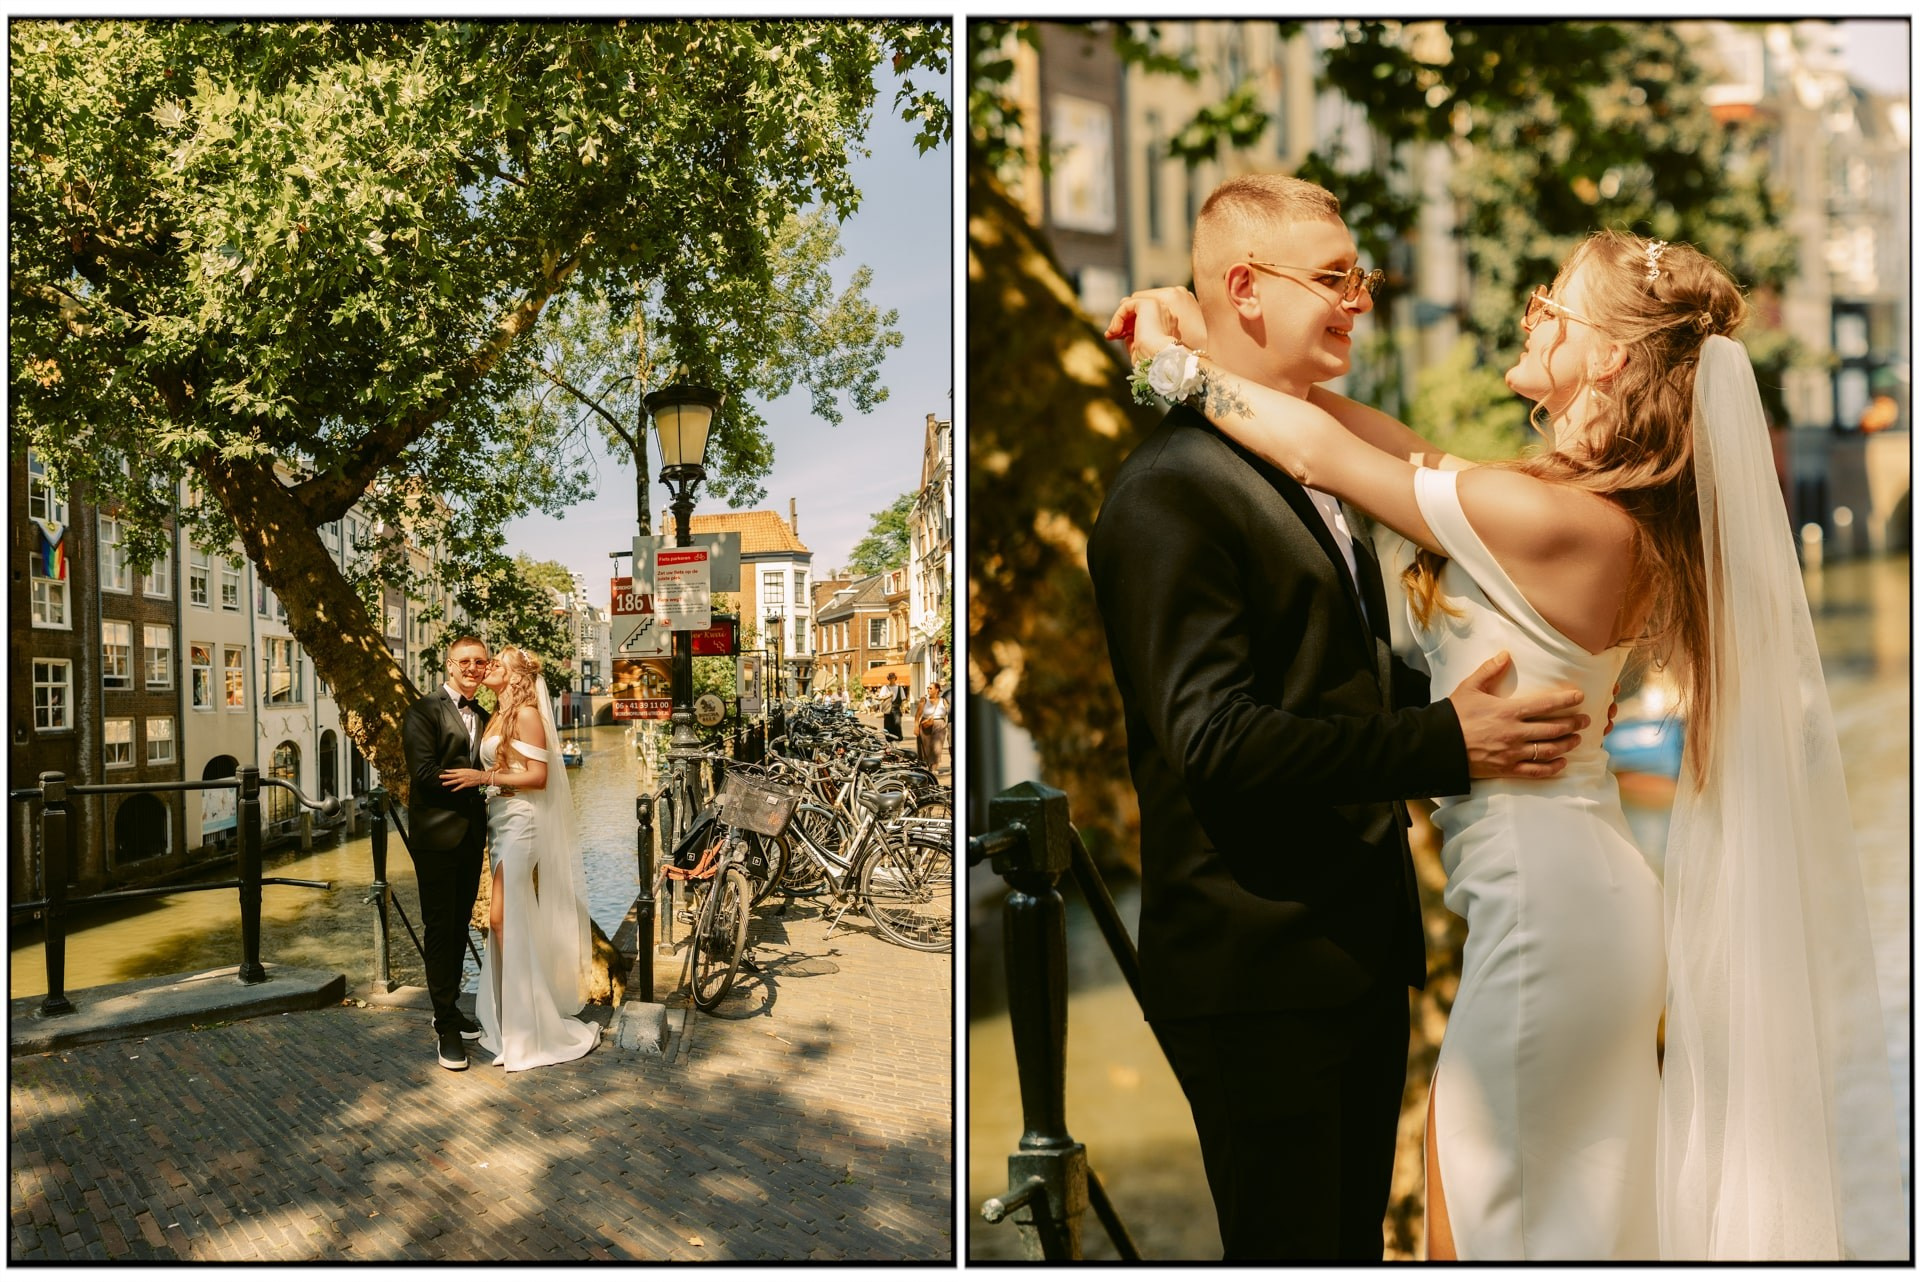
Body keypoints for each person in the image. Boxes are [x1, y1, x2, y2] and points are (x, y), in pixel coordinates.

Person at [1110, 227, 1902, 1260]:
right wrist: (1208, 340)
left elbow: (1322, 452)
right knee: (1528, 1227)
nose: (1530, 311)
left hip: (1547, 920)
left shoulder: (1545, 517)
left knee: (1484, 1235)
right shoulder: (1582, 510)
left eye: (1553, 302)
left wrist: (1165, 364)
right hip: (1577, 903)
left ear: (1609, 357)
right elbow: (1385, 441)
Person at [1085, 174, 1595, 1262]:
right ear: (1245, 290)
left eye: (1358, 276)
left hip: (1349, 956)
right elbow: (1215, 740)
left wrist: (1438, 716)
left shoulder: (1310, 462)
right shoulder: (1169, 490)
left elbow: (1336, 683)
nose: (1360, 298)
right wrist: (1443, 741)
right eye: (1334, 277)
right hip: (1261, 974)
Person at [438, 647, 600, 1071]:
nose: (488, 667)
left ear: (515, 675)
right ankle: (511, 1022)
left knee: (501, 919)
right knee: (507, 918)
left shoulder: (527, 714)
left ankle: (527, 1030)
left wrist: (484, 777)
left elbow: (539, 776)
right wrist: (491, 785)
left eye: (496, 663)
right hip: (500, 818)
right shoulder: (497, 714)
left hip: (521, 822)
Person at [400, 635, 493, 1071]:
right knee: (440, 927)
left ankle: (451, 1006)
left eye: (481, 661)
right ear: (450, 664)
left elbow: (487, 773)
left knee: (459, 926)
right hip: (436, 837)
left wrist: (488, 780)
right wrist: (476, 779)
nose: (473, 668)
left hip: (473, 837)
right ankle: (444, 1026)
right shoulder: (423, 710)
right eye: (466, 661)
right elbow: (422, 773)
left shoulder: (486, 715)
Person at [914, 680, 949, 772]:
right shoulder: (924, 700)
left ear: (937, 690)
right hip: (925, 724)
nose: (928, 690)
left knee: (937, 747)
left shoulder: (943, 700)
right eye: (928, 688)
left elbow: (949, 712)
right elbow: (917, 715)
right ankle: (928, 766)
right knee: (926, 747)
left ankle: (934, 768)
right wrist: (916, 727)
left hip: (939, 724)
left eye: (930, 688)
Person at [881, 672, 906, 741]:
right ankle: (889, 740)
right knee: (888, 726)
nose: (892, 679)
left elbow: (903, 699)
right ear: (888, 679)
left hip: (897, 709)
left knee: (897, 724)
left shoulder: (900, 688)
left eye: (893, 678)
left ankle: (898, 739)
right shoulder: (885, 688)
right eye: (890, 678)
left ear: (895, 678)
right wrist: (888, 696)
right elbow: (881, 698)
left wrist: (903, 709)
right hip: (887, 709)